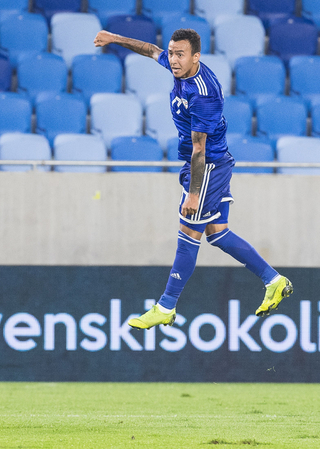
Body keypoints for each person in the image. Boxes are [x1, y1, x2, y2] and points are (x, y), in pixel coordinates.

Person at [94, 28, 293, 329]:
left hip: (207, 167)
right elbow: (150, 49)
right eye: (172, 53)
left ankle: (166, 305)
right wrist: (115, 38)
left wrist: (194, 193)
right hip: (213, 163)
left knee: (188, 234)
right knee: (217, 232)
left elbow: (199, 148)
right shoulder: (181, 67)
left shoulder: (203, 94)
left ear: (196, 56)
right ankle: (273, 280)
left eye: (179, 54)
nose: (172, 59)